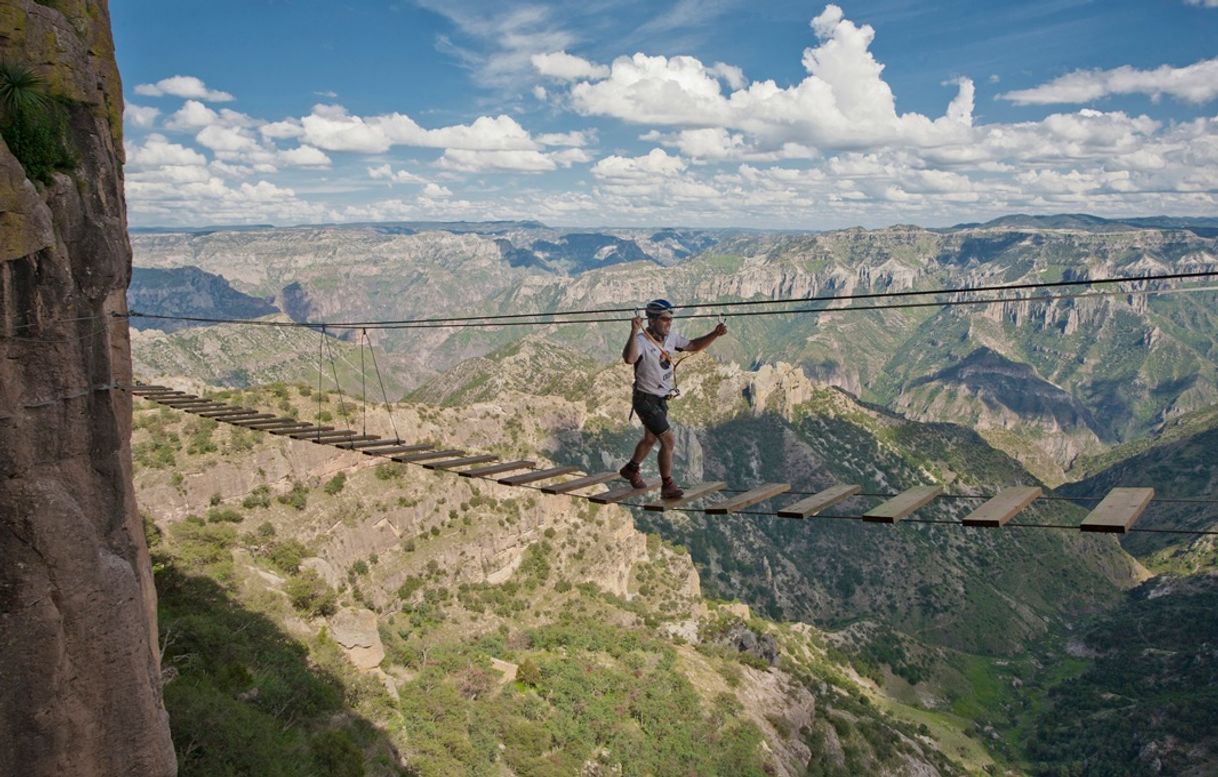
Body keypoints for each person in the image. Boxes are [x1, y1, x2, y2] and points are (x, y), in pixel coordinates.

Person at [620, 298, 728, 498]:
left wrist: (715, 334)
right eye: (664, 320)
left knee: (650, 438)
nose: (669, 323)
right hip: (645, 400)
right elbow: (629, 358)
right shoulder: (642, 342)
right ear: (651, 321)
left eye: (670, 319)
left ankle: (631, 468)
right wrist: (634, 331)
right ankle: (667, 485)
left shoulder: (671, 338)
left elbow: (693, 345)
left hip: (660, 400)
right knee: (668, 441)